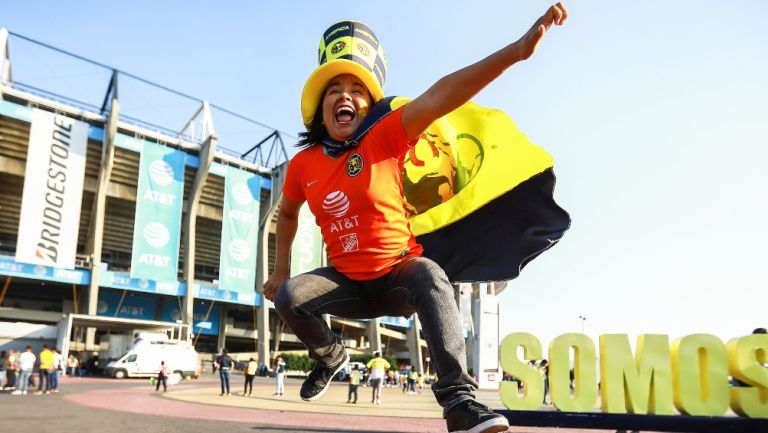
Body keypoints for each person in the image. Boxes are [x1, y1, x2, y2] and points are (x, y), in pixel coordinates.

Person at [263, 4, 567, 432]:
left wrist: (515, 51)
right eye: (335, 89)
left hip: (395, 277)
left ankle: (460, 404)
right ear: (320, 107)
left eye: (357, 89)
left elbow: (443, 94)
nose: (345, 96)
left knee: (428, 273)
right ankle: (330, 356)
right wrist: (280, 270)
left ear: (368, 106)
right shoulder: (303, 165)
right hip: (346, 283)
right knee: (291, 296)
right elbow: (288, 213)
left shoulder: (383, 137)